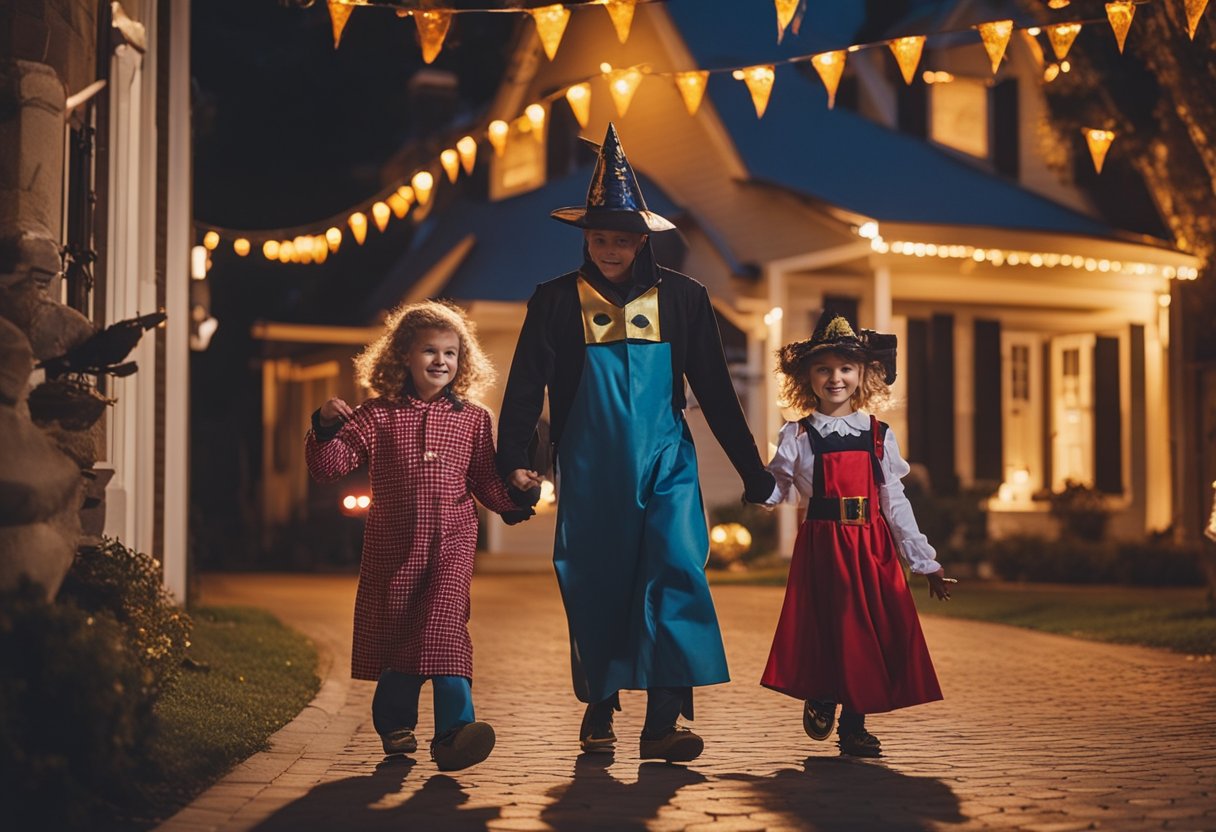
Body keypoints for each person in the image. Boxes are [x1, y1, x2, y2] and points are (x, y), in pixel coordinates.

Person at [497, 123, 775, 762]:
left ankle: (666, 723)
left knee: (678, 571)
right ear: (586, 238)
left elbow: (715, 389)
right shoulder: (554, 301)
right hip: (590, 470)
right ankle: (600, 704)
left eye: (623, 239)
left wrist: (752, 470)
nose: (611, 249)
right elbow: (525, 388)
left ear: (643, 239)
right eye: (600, 238)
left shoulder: (685, 299)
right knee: (598, 582)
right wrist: (514, 461)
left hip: (666, 464)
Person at [305, 300, 531, 772]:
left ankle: (454, 734)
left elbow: (485, 480)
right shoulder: (376, 416)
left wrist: (516, 495)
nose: (440, 362)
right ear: (403, 356)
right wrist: (325, 428)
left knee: (444, 632)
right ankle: (394, 721)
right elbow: (329, 468)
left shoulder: (473, 419)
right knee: (405, 635)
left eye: (450, 353)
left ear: (462, 360)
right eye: (429, 350)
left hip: (452, 542)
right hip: (394, 547)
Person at [761, 314, 954, 758]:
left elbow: (895, 502)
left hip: (872, 546)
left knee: (867, 631)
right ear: (806, 378)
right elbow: (779, 491)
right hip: (823, 547)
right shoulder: (797, 434)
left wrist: (924, 561)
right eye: (824, 369)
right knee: (832, 627)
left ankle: (854, 726)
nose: (836, 378)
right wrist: (758, 485)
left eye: (846, 369)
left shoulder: (879, 436)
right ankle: (823, 692)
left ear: (863, 375)